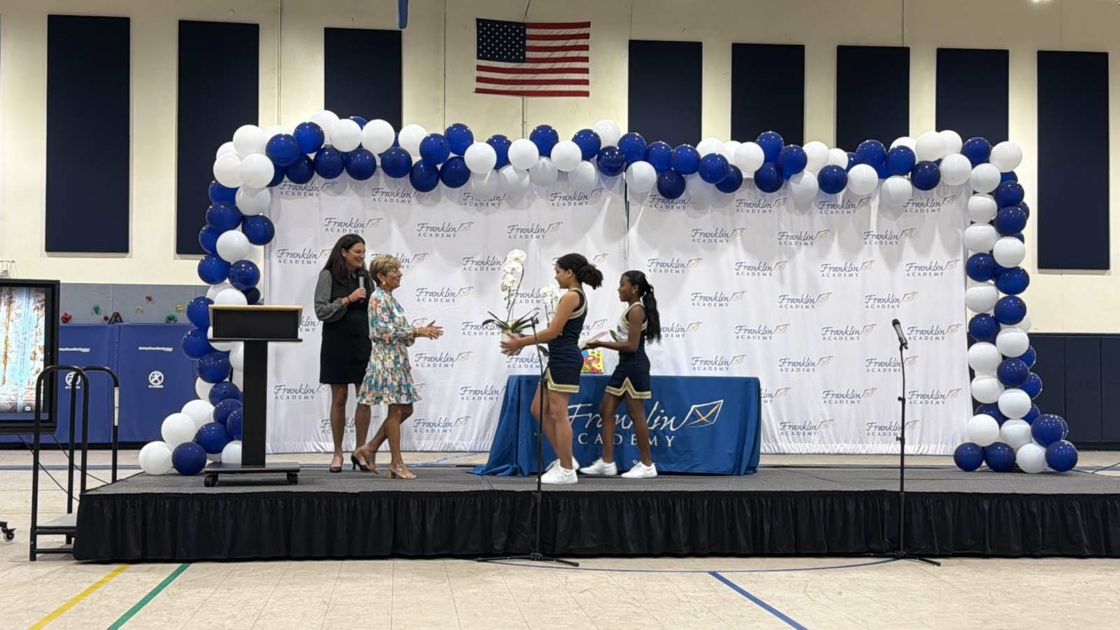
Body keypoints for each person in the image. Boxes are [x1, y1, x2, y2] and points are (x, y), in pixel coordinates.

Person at [501, 253, 602, 485]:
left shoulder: (571, 296)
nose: (556, 277)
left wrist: (520, 342)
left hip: (564, 359)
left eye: (558, 271)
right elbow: (553, 332)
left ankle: (566, 470)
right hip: (558, 358)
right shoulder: (574, 295)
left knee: (558, 414)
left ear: (570, 272)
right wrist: (523, 339)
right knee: (538, 409)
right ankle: (566, 459)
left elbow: (553, 332)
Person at [352, 254, 442, 479]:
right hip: (387, 360)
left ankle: (369, 448)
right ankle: (396, 463)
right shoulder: (378, 298)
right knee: (396, 410)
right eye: (394, 271)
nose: (399, 274)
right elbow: (382, 331)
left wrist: (416, 332)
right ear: (381, 276)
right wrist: (416, 331)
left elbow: (399, 332)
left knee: (406, 409)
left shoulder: (390, 299)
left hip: (397, 359)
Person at [581, 271, 661, 479]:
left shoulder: (636, 310)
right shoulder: (632, 309)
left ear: (635, 288)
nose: (619, 288)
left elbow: (632, 346)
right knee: (606, 409)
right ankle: (607, 462)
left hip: (634, 365)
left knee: (636, 413)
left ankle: (647, 464)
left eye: (622, 284)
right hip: (625, 365)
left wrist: (600, 343)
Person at [314, 234, 373, 473]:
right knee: (339, 398)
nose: (361, 256)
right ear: (344, 252)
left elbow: (373, 310)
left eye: (363, 252)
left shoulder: (366, 277)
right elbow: (321, 311)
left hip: (363, 342)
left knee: (364, 398)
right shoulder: (328, 276)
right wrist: (347, 299)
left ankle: (361, 452)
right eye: (357, 252)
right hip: (336, 343)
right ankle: (337, 453)